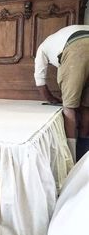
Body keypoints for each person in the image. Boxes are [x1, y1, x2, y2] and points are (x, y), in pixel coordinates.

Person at [34, 25, 89, 162]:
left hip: (77, 47)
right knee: (87, 105)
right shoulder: (59, 36)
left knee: (69, 107)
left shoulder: (42, 47)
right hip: (82, 38)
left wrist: (52, 99)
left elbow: (40, 82)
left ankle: (71, 157)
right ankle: (85, 148)